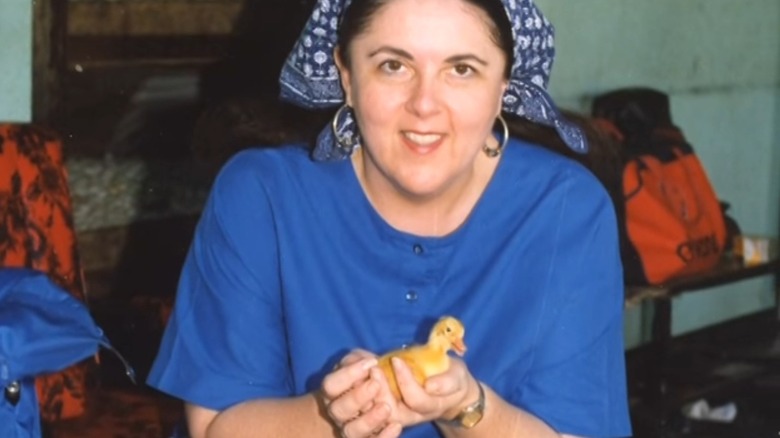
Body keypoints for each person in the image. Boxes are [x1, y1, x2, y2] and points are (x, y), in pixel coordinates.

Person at [147, 0, 633, 436]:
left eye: (461, 69)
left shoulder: (567, 210)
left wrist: (468, 407)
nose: (424, 105)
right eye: (393, 65)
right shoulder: (261, 194)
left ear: (505, 82)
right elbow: (216, 427)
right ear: (346, 74)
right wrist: (332, 415)